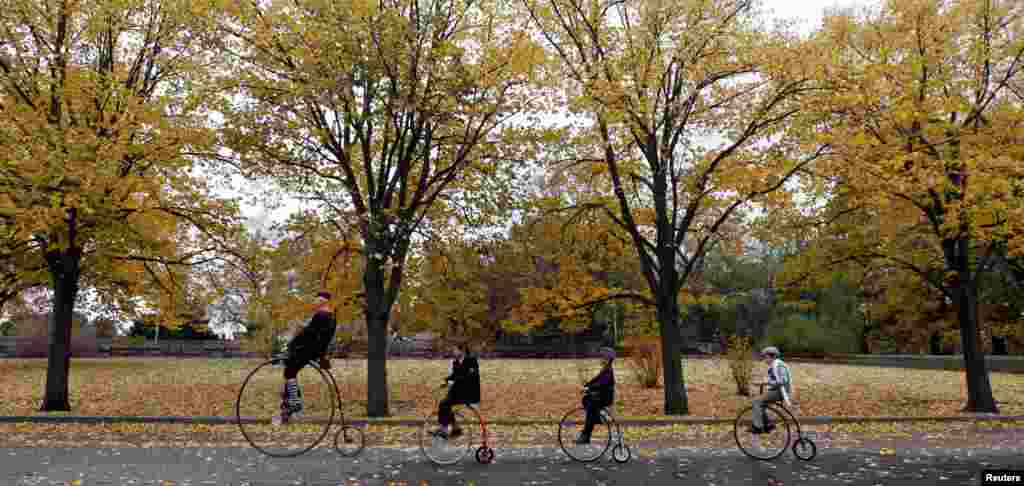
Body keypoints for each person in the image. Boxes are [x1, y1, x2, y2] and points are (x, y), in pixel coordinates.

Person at [277, 291, 337, 425]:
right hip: (315, 351)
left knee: (289, 372)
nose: (315, 303)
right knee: (290, 369)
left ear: (323, 301)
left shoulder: (321, 315)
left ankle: (294, 402)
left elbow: (308, 334)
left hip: (309, 351)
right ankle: (289, 401)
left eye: (317, 300)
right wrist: (322, 354)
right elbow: (322, 336)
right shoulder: (332, 317)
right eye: (316, 300)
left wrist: (292, 344)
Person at [430, 343, 480, 439]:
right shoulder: (456, 362)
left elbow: (471, 377)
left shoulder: (472, 360)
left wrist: (454, 381)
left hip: (469, 392)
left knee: (445, 404)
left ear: (462, 350)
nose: (453, 352)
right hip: (457, 391)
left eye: (455, 350)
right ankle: (455, 428)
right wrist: (446, 380)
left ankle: (444, 429)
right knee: (444, 405)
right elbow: (454, 375)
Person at [576, 346, 616, 444]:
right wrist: (587, 385)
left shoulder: (608, 370)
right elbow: (596, 380)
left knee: (590, 407)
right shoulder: (605, 369)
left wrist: (589, 388)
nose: (600, 359)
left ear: (607, 359)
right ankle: (595, 419)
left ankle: (586, 435)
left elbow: (601, 384)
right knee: (586, 401)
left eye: (602, 357)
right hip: (600, 396)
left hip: (604, 397)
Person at [750, 346, 792, 434]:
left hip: (781, 392)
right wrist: (763, 383)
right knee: (760, 402)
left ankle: (757, 426)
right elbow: (774, 381)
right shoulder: (774, 365)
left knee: (757, 401)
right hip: (778, 390)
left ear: (771, 356)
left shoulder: (779, 365)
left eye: (765, 357)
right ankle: (768, 424)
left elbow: (783, 380)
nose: (764, 359)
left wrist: (766, 383)